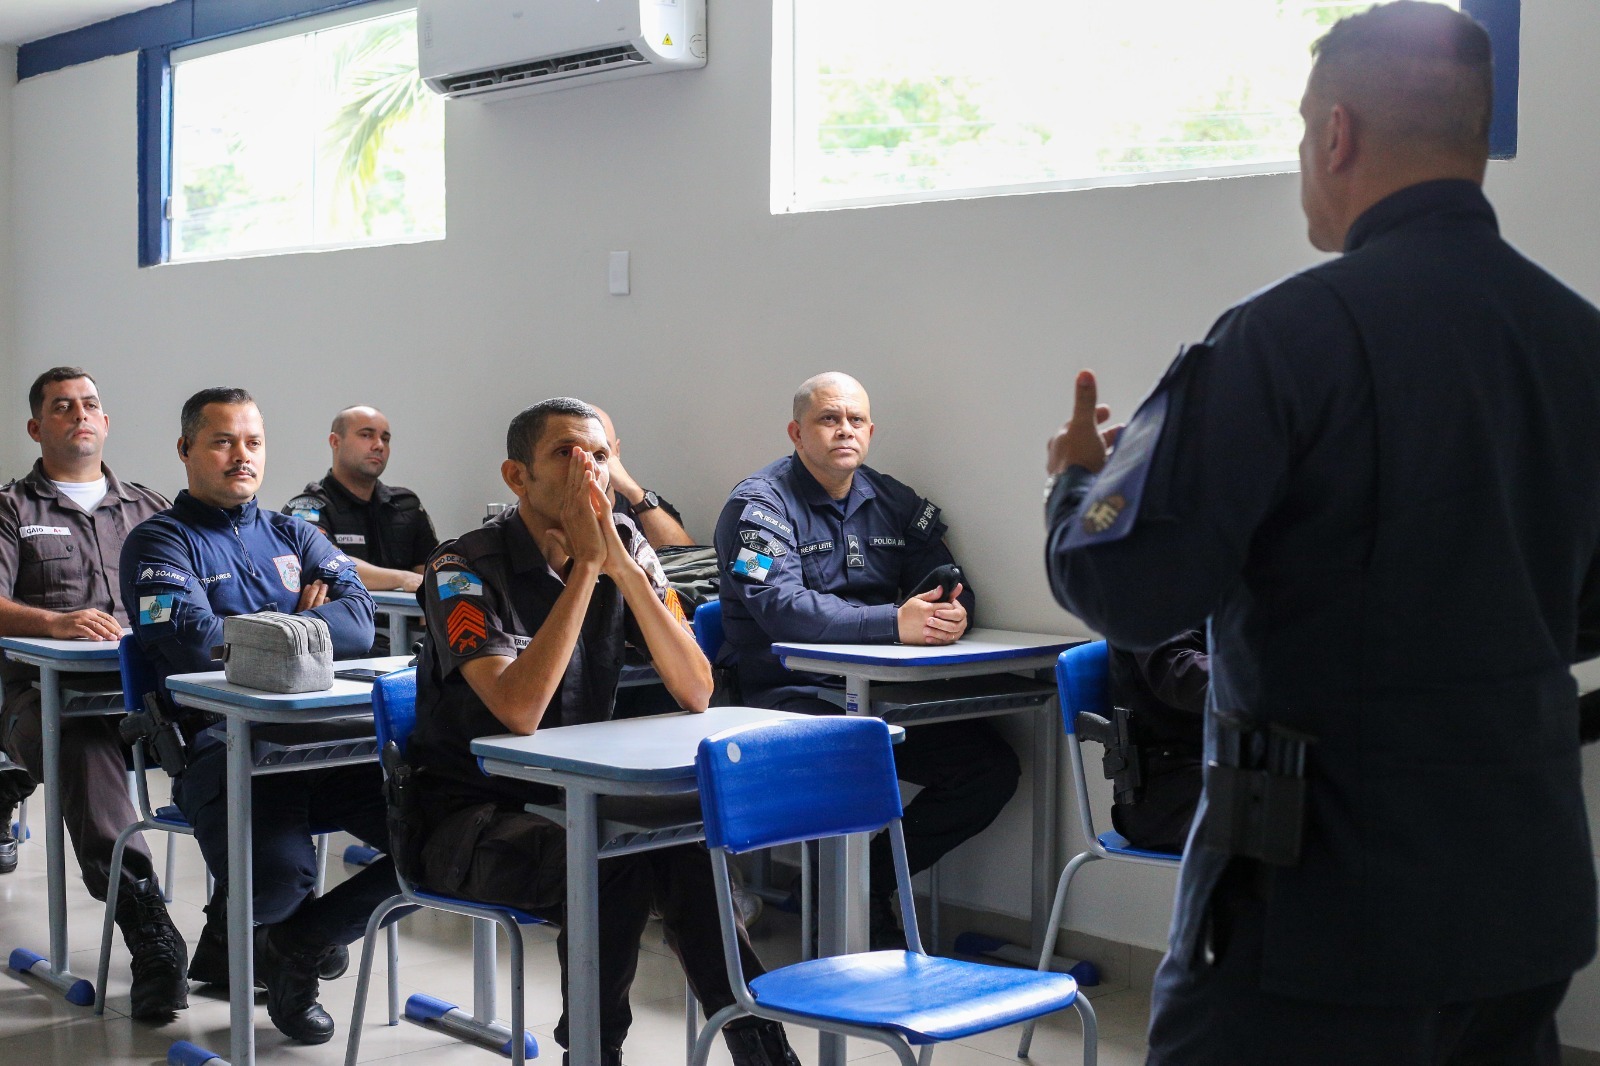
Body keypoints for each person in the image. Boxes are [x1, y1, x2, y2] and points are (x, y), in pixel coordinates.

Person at [1042, 5, 1600, 1063]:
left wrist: (1075, 482)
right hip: (1522, 895)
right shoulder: (1579, 342)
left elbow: (1132, 589)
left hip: (1319, 908)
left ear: (1334, 133)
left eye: (1303, 131)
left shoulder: (1284, 338)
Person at [406, 397, 800, 1066]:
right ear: (516, 477)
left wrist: (618, 566)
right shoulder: (461, 569)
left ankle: (758, 1042)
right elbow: (519, 711)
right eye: (565, 454)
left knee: (687, 844)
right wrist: (585, 571)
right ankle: (594, 1049)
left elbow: (696, 688)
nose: (587, 470)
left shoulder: (625, 543)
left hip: (574, 798)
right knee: (609, 858)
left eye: (600, 455)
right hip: (467, 818)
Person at [121, 387, 394, 1045]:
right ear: (186, 450)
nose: (241, 456)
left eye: (253, 442)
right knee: (277, 881)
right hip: (220, 745)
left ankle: (299, 945)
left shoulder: (293, 531)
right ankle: (277, 929)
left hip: (326, 742)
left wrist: (250, 630)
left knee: (437, 843)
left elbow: (360, 625)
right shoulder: (160, 540)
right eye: (222, 441)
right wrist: (302, 621)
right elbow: (186, 639)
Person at [714, 372, 1020, 947]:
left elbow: (948, 580)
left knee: (989, 768)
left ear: (871, 431)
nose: (844, 430)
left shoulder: (891, 500)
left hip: (878, 692)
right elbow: (780, 608)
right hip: (783, 692)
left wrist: (954, 614)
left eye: (855, 420)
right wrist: (892, 623)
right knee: (855, 755)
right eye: (829, 419)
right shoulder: (758, 507)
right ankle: (847, 910)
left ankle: (860, 884)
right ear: (797, 432)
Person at [0, 366, 186, 1019]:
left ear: (105, 422)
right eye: (61, 406)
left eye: (90, 405)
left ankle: (257, 929)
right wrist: (52, 621)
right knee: (82, 749)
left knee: (235, 745)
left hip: (151, 701)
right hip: (45, 702)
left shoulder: (150, 507)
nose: (79, 414)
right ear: (36, 426)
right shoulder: (13, 509)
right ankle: (150, 934)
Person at [284, 406, 438, 649]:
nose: (378, 445)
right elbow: (331, 566)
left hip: (413, 643)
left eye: (385, 438)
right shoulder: (308, 507)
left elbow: (428, 575)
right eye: (366, 435)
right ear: (335, 441)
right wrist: (402, 578)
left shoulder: (406, 505)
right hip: (346, 641)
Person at [1107, 631, 1206, 854]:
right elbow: (1178, 672)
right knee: (1283, 817)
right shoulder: (1152, 599)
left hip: (1219, 765)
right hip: (1162, 788)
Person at [594, 406, 694, 549]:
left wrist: (632, 491)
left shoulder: (643, 505)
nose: (588, 462)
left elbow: (687, 561)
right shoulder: (551, 508)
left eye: (600, 451)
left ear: (617, 451)